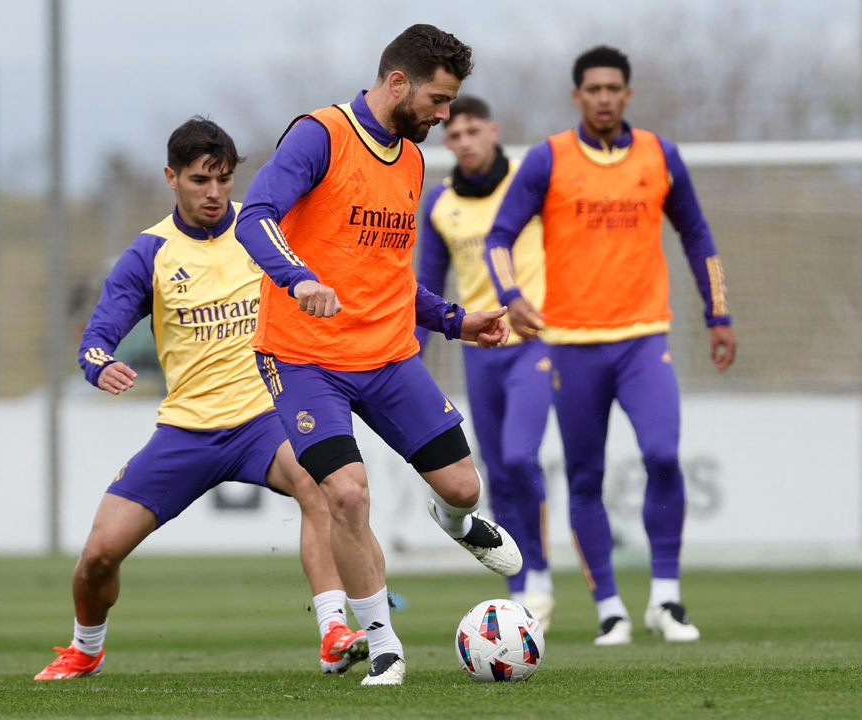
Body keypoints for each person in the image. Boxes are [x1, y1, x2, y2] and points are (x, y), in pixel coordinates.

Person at [235, 24, 522, 686]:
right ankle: (383, 641)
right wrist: (298, 278)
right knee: (347, 493)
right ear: (399, 82)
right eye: (439, 101)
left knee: (463, 486)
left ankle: (455, 522)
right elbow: (257, 216)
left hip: (387, 356)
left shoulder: (414, 161)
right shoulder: (320, 135)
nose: (446, 117)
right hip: (303, 357)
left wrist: (453, 320)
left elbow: (388, 274)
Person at [34, 117, 368, 681]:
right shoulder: (149, 254)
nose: (214, 193)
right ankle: (85, 647)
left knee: (322, 485)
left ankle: (335, 631)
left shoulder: (264, 232)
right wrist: (101, 367)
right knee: (98, 556)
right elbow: (95, 340)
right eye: (199, 180)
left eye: (223, 179)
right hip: (186, 432)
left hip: (265, 419)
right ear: (171, 178)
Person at [484, 46, 737, 645]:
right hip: (571, 346)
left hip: (644, 339)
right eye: (592, 88)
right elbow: (499, 235)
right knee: (584, 479)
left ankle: (667, 600)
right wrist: (510, 292)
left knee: (663, 455)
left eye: (613, 88)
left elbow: (697, 234)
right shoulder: (549, 158)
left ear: (628, 94)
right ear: (577, 96)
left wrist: (718, 311)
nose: (603, 97)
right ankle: (610, 610)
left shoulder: (659, 155)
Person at [414, 96, 555, 629]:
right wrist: (411, 357)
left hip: (536, 341)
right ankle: (520, 585)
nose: (464, 141)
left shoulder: (529, 183)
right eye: (454, 135)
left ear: (493, 131)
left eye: (473, 131)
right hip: (483, 350)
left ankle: (538, 574)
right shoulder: (439, 204)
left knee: (521, 457)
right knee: (496, 469)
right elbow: (426, 285)